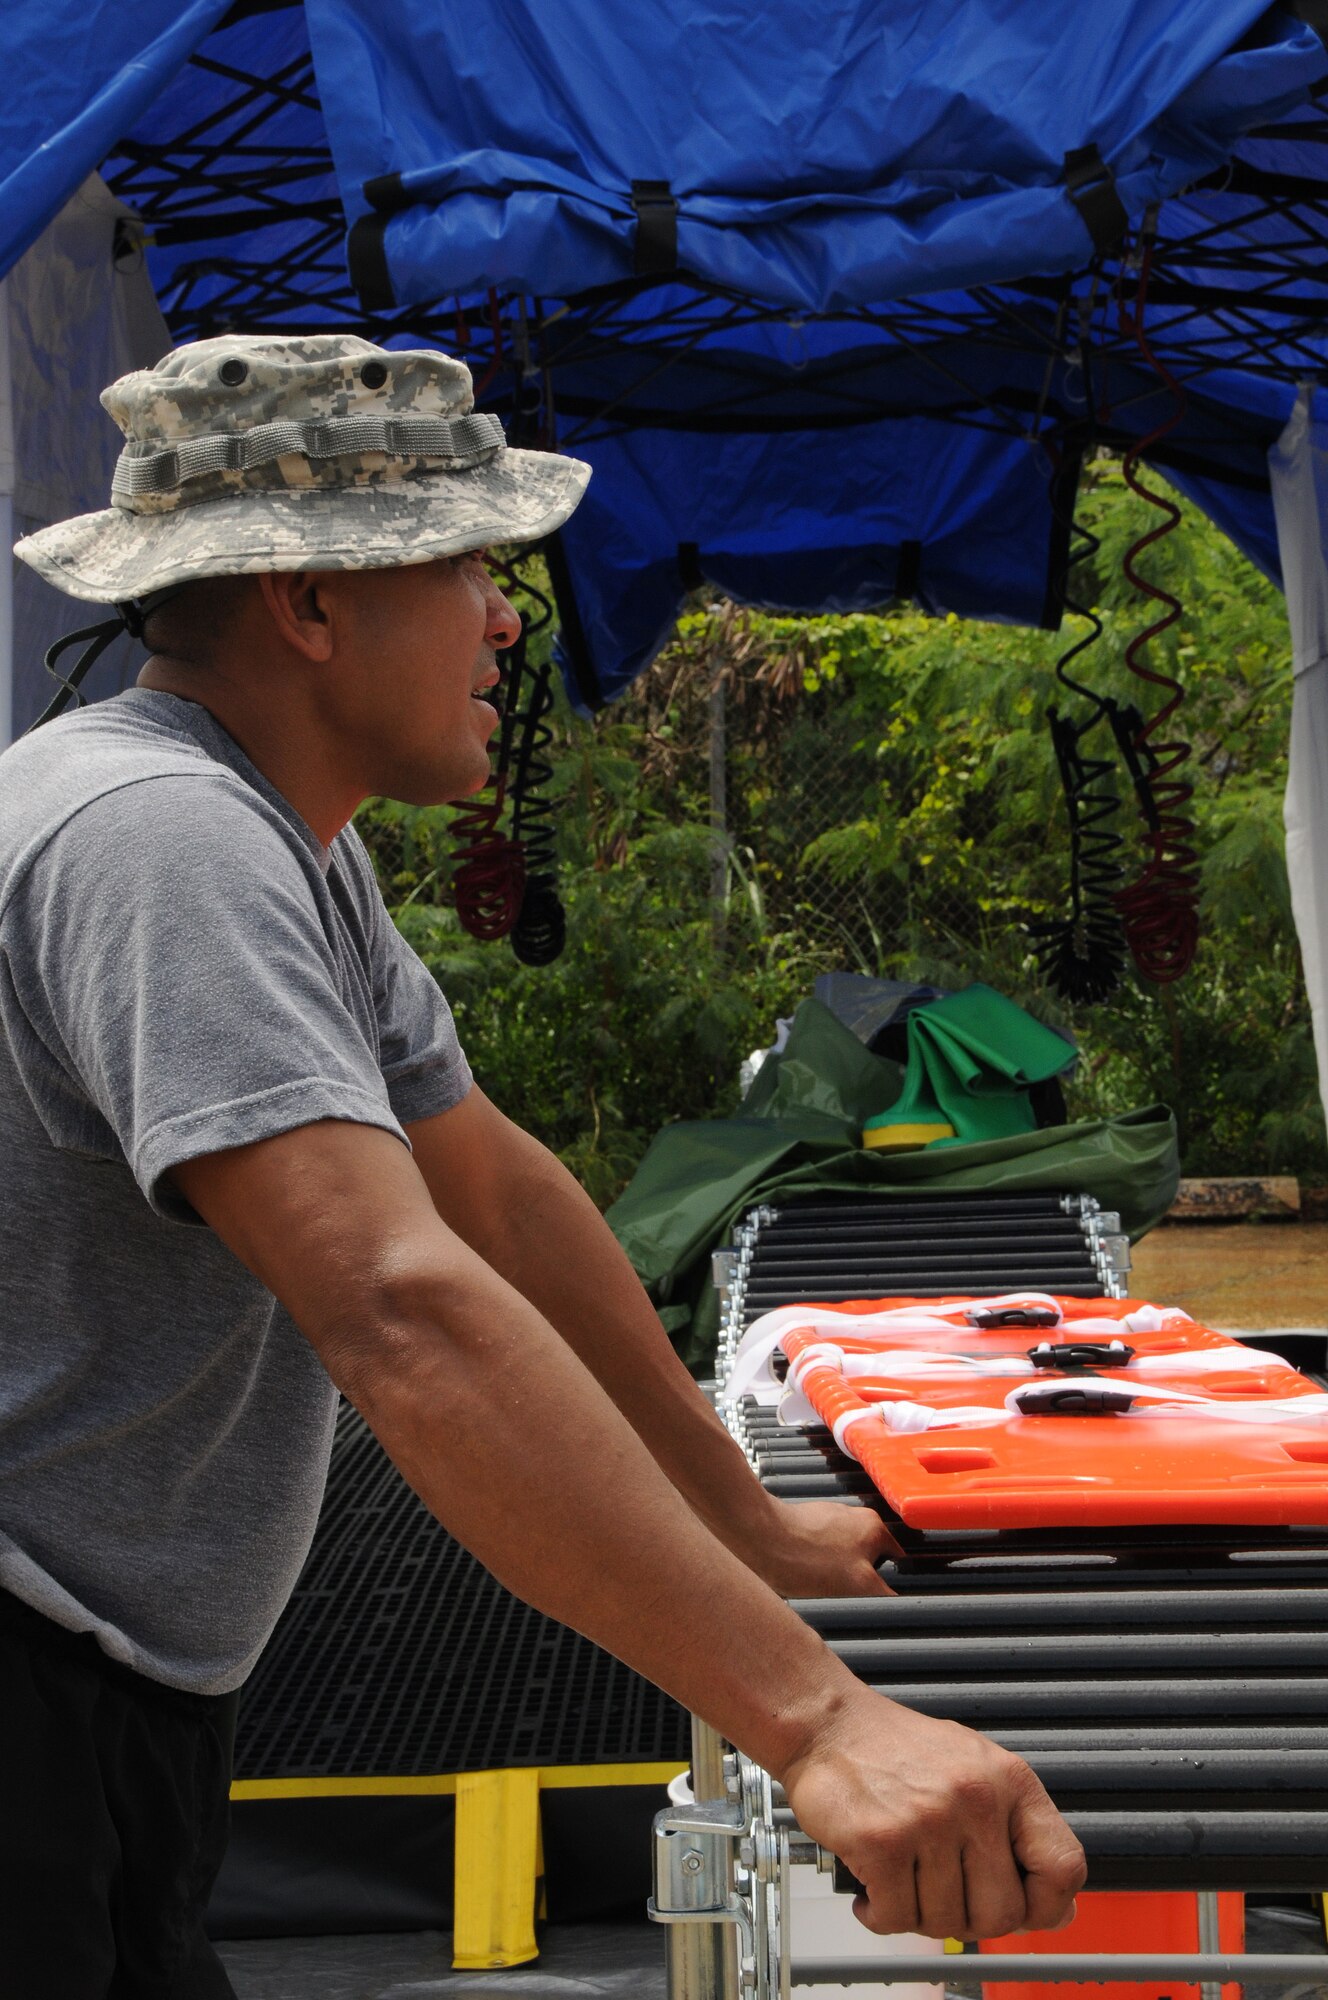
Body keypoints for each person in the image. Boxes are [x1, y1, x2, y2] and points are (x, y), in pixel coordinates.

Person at [0, 332, 1085, 1995]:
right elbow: (399, 1302)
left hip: (111, 1681)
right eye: (472, 569)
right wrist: (815, 1718)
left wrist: (746, 1523)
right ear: (311, 599)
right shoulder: (160, 839)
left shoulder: (280, 838)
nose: (510, 621)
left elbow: (492, 1194)